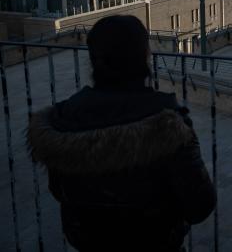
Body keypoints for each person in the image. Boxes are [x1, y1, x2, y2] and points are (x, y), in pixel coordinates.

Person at [27, 16, 216, 252]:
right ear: (144, 56)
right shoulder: (167, 123)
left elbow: (59, 191)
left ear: (94, 60)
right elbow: (200, 205)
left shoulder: (63, 121)